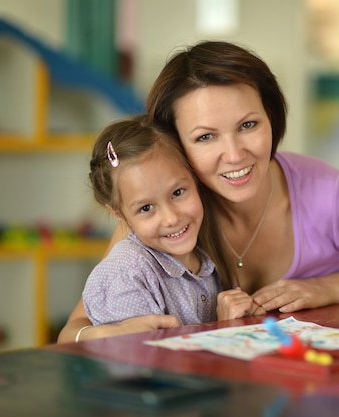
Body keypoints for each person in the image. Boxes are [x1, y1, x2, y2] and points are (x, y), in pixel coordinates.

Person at [58, 41, 339, 343]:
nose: (235, 154)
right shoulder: (163, 213)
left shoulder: (329, 193)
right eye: (206, 136)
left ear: (271, 118)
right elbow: (74, 329)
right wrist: (98, 334)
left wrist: (330, 287)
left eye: (248, 125)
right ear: (175, 145)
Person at [79, 115, 254, 337]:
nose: (171, 218)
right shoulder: (126, 274)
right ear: (120, 215)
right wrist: (224, 330)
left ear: (195, 179)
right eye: (146, 208)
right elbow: (148, 364)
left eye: (178, 193)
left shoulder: (204, 255)